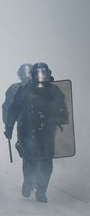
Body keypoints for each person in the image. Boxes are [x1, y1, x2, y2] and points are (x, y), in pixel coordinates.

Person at [4, 62, 69, 203]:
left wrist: (59, 118)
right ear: (33, 75)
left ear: (48, 74)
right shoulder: (24, 90)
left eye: (43, 73)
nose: (41, 76)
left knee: (46, 162)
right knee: (30, 160)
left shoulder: (54, 91)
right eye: (38, 73)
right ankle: (28, 182)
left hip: (47, 131)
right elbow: (14, 109)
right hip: (27, 130)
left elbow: (62, 109)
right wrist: (8, 127)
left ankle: (41, 191)